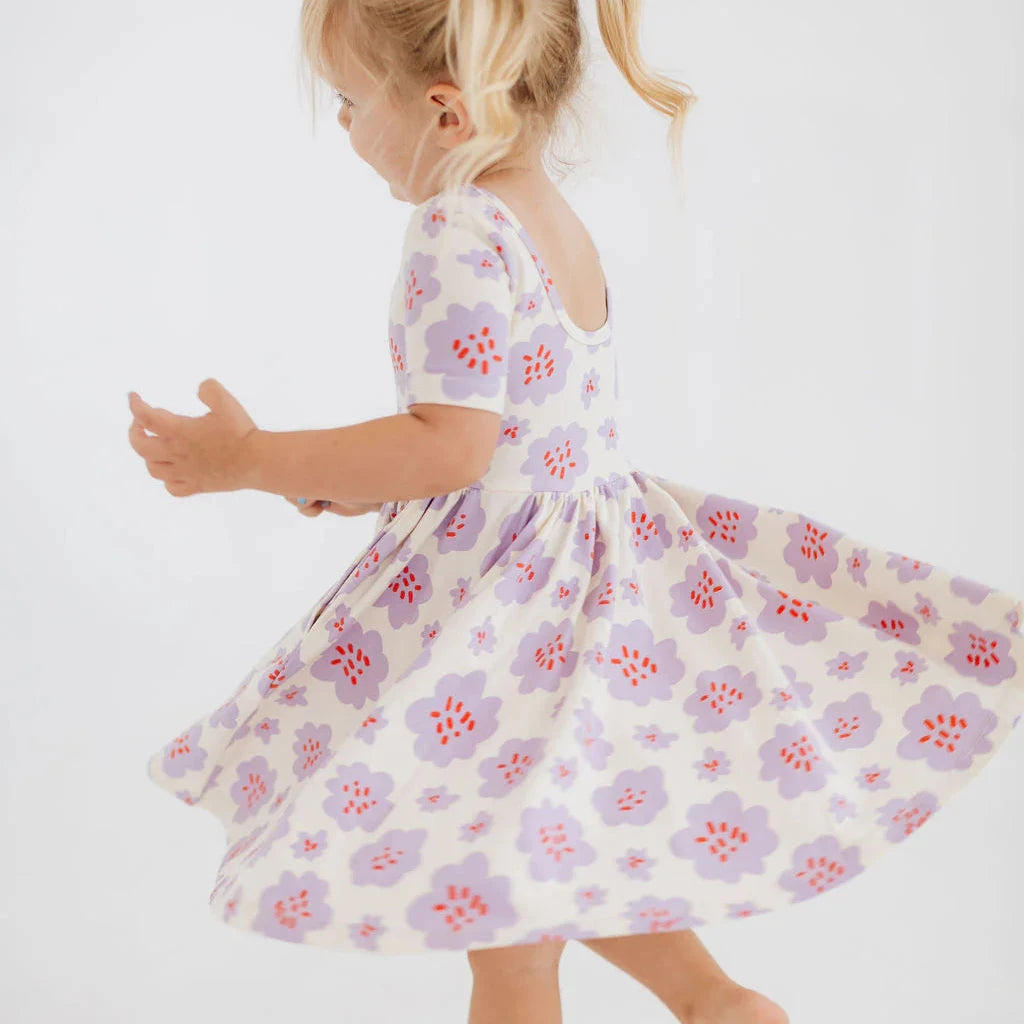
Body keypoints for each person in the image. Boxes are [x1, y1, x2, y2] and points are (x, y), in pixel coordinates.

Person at [127, 2, 1024, 1022]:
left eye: (348, 101)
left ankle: (710, 1002)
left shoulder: (455, 227)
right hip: (587, 569)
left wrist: (249, 459)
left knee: (509, 925)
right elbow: (504, 441)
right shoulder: (545, 215)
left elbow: (450, 444)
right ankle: (716, 1002)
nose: (342, 126)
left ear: (445, 112)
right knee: (559, 846)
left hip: (509, 614)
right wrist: (345, 477)